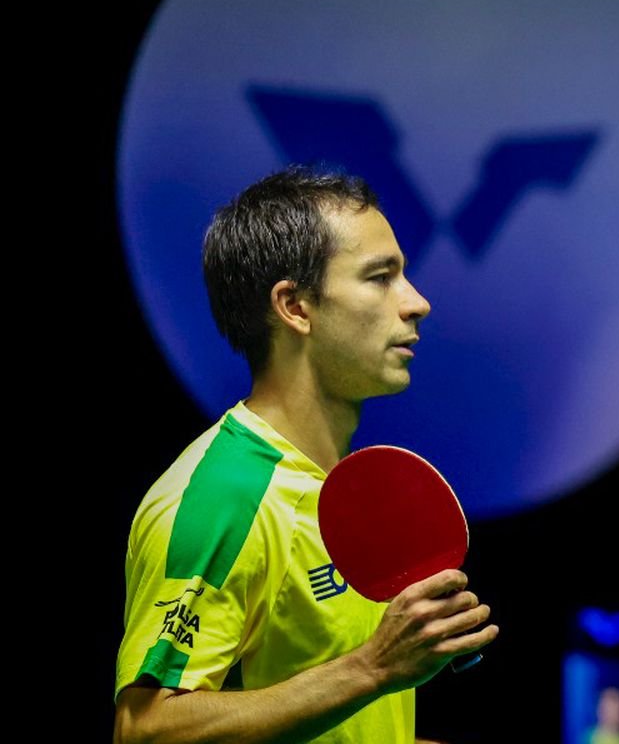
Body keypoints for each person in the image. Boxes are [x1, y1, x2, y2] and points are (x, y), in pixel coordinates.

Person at [113, 165, 498, 743]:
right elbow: (145, 730)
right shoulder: (223, 498)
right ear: (295, 307)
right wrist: (373, 668)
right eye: (380, 277)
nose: (417, 302)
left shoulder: (345, 489)